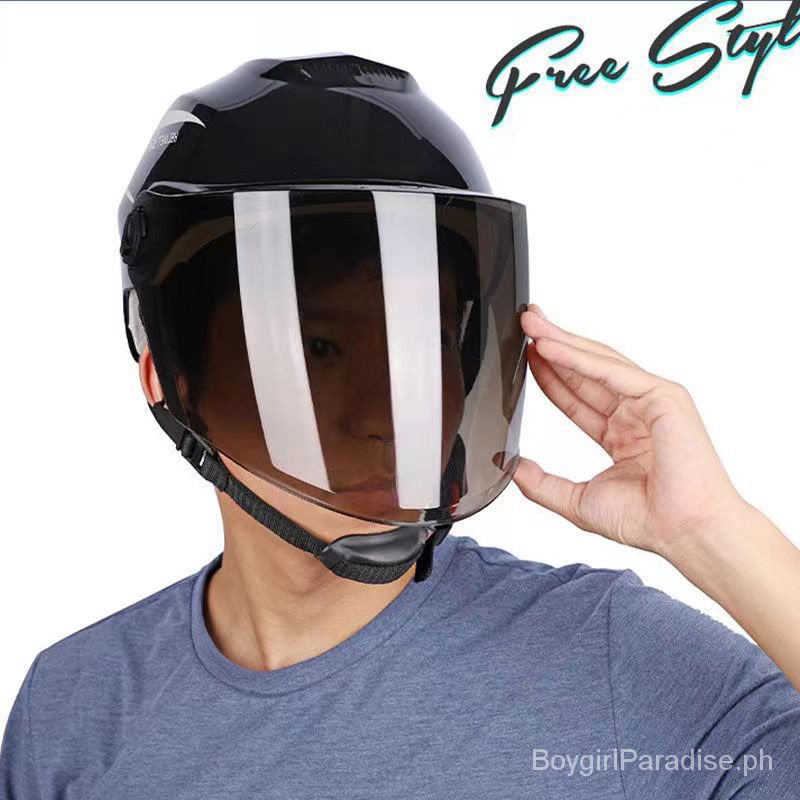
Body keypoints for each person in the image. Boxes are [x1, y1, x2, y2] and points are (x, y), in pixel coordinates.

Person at [1, 54, 799, 800]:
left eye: (421, 343)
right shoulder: (76, 707)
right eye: (318, 348)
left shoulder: (608, 655)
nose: (382, 413)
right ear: (172, 383)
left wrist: (715, 533)